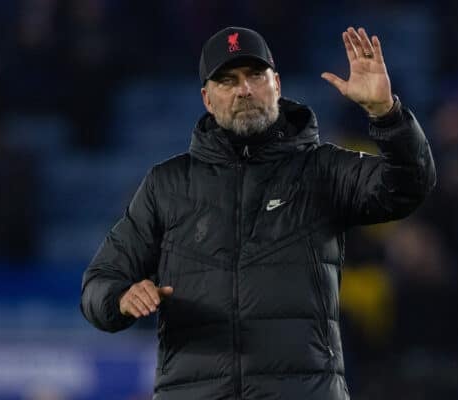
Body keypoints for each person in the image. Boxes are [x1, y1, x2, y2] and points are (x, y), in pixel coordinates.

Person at [81, 26, 436, 400]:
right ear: (207, 98)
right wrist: (121, 297)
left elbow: (410, 186)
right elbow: (99, 283)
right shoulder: (167, 186)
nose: (244, 90)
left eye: (255, 75)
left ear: (277, 84)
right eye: (227, 80)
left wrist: (387, 114)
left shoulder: (322, 170)